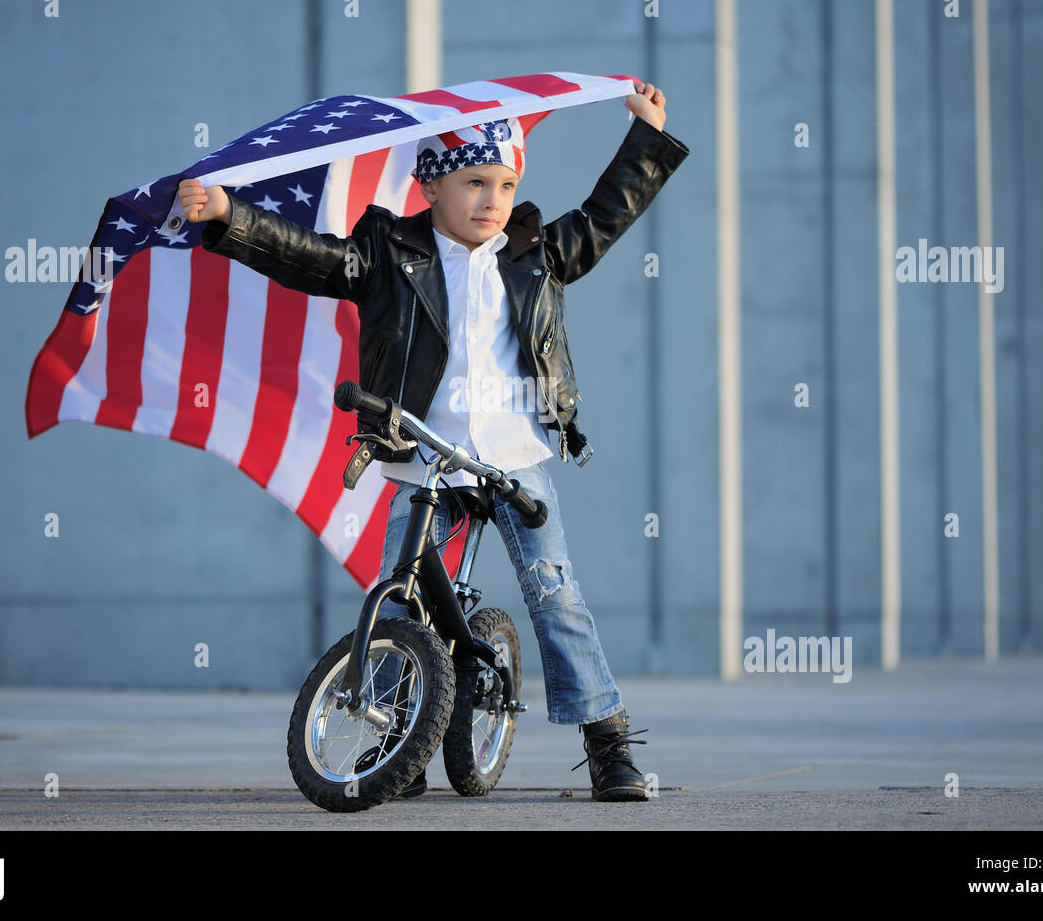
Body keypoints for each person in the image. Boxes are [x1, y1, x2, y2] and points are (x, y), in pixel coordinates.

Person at [179, 80, 689, 801]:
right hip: (423, 457)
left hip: (512, 455)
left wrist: (646, 134)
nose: (492, 199)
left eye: (505, 184)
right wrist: (232, 216)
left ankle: (606, 739)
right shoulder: (386, 253)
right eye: (475, 181)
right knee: (398, 597)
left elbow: (610, 213)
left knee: (555, 594)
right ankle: (398, 732)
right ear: (430, 186)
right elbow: (311, 258)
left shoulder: (537, 253)